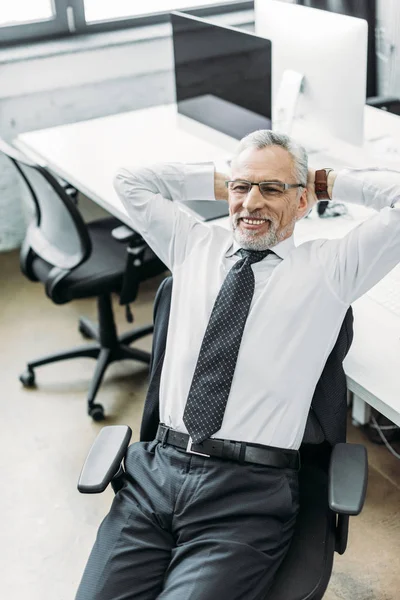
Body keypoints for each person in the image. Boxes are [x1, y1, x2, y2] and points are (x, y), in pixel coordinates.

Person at [75, 130, 400, 600]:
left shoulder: (332, 269)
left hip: (248, 495)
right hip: (155, 474)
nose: (251, 203)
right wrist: (223, 179)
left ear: (303, 200)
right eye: (242, 188)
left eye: (272, 189)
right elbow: (130, 182)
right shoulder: (192, 246)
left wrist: (330, 181)